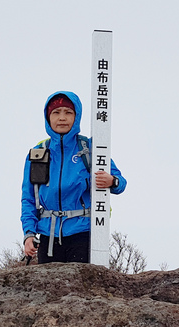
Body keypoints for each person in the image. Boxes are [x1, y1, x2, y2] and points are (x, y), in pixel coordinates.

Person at [21, 91, 126, 263]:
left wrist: (112, 181)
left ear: (76, 117)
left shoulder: (90, 148)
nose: (62, 118)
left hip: (83, 234)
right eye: (56, 112)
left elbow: (121, 182)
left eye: (68, 112)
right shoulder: (38, 153)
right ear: (48, 117)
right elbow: (29, 198)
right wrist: (29, 234)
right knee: (50, 289)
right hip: (48, 236)